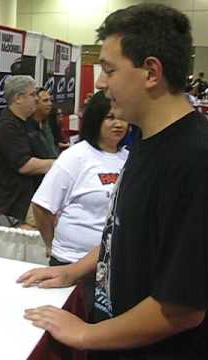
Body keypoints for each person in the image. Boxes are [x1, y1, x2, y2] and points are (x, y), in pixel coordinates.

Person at [18, 4, 208, 359]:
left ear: (151, 72)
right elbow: (122, 235)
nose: (101, 82)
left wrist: (86, 334)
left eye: (109, 69)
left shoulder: (195, 161)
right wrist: (73, 271)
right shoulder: (144, 142)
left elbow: (182, 308)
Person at [32, 90, 128, 266]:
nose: (118, 124)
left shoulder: (129, 158)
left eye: (123, 118)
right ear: (95, 120)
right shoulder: (75, 157)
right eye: (110, 117)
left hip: (114, 262)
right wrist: (51, 244)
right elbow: (41, 206)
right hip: (71, 261)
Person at [0, 76, 54, 226]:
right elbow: (25, 165)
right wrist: (59, 164)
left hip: (34, 192)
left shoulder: (25, 122)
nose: (36, 100)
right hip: (20, 201)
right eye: (32, 95)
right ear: (18, 98)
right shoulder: (7, 128)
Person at [25, 87, 62, 160]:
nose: (50, 104)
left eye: (50, 100)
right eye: (45, 101)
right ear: (35, 104)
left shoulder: (50, 122)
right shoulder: (27, 128)